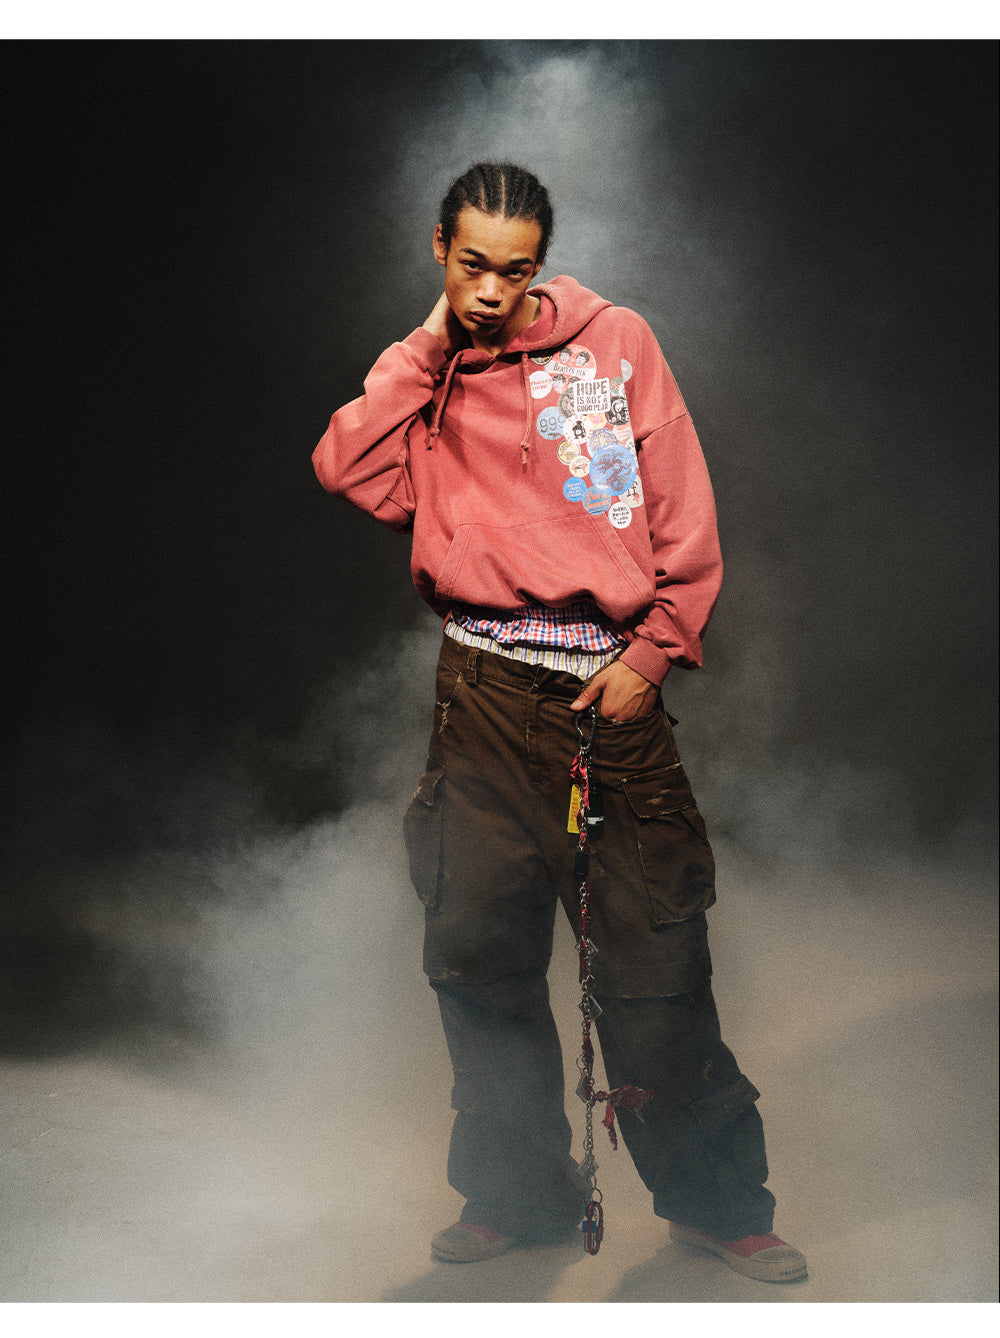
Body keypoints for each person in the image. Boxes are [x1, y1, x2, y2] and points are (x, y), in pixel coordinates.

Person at [312, 162, 807, 1284]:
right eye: (471, 265)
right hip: (479, 698)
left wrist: (654, 651)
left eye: (515, 268)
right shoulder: (435, 369)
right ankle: (518, 1197)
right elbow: (346, 466)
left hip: (604, 707)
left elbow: (680, 506)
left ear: (542, 263)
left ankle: (719, 1206)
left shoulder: (615, 344)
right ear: (440, 250)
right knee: (479, 963)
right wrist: (428, 344)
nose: (492, 290)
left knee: (656, 974)